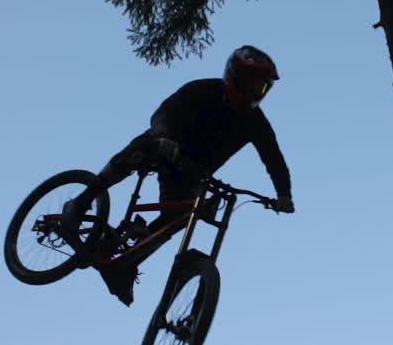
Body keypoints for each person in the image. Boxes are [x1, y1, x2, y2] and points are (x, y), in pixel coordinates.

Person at [62, 45, 294, 306]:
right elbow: (164, 113)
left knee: (183, 215)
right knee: (138, 152)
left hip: (191, 173)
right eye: (251, 83)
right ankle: (80, 203)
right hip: (165, 147)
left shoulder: (255, 121)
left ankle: (126, 263)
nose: (255, 91)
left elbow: (274, 158)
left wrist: (284, 194)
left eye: (262, 87)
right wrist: (164, 137)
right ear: (235, 76)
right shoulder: (203, 90)